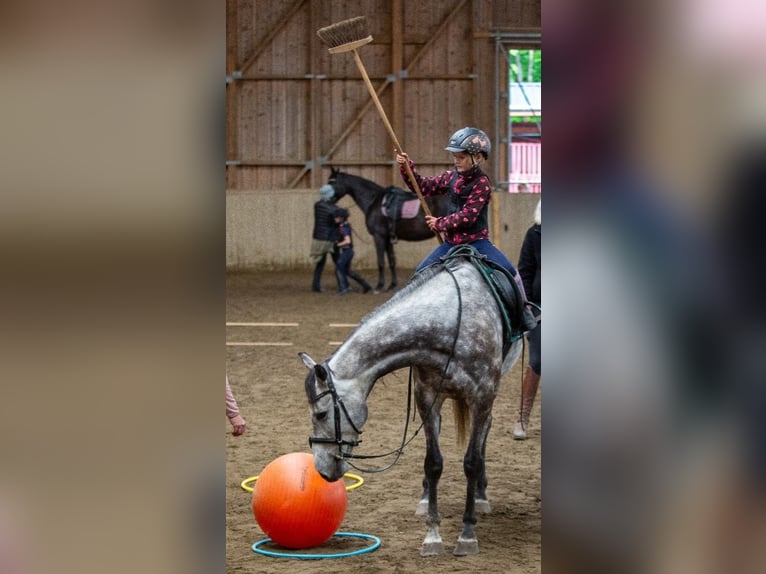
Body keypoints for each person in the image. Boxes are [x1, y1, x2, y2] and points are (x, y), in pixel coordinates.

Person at [395, 127, 519, 275]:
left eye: (461, 157)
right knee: (421, 272)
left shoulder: (482, 183)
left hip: (477, 243)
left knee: (511, 272)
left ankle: (524, 298)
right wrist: (406, 167)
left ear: (478, 158)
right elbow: (422, 187)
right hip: (451, 244)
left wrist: (439, 223)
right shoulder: (450, 177)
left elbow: (468, 216)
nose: (457, 161)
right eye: (455, 156)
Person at [513, 199, 541, 440]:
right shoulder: (534, 234)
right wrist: (530, 306)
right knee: (538, 361)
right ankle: (522, 418)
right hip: (543, 308)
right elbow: (525, 270)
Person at [310, 184, 342, 292]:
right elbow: (337, 219)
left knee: (320, 264)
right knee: (338, 262)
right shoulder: (333, 208)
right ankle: (342, 284)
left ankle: (316, 285)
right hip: (330, 239)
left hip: (319, 238)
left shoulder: (317, 205)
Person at [333, 208, 373, 295]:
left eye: (337, 217)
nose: (335, 218)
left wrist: (337, 245)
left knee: (338, 269)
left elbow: (347, 241)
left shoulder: (344, 227)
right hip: (347, 251)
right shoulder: (343, 226)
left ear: (342, 218)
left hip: (347, 251)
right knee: (348, 271)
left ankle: (343, 289)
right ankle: (366, 285)